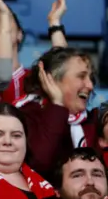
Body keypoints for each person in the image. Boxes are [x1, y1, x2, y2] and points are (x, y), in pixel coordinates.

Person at [15, 46, 96, 181]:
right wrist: (57, 105)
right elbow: (39, 165)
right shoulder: (24, 115)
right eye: (81, 76)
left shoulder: (93, 120)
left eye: (91, 78)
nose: (90, 85)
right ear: (52, 79)